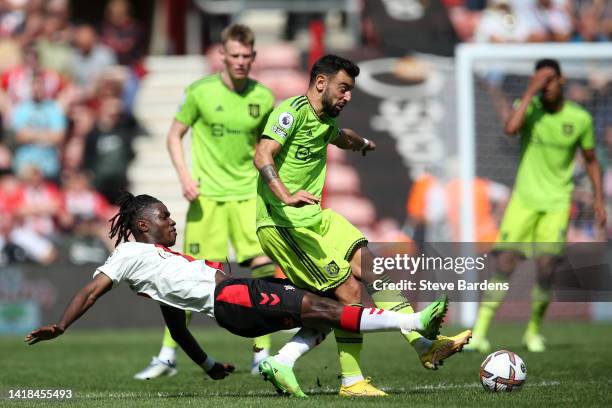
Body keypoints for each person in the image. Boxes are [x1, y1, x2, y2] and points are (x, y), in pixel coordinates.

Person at [25, 192, 451, 398]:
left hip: (235, 302)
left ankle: (282, 363)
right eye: (165, 218)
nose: (173, 223)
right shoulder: (129, 255)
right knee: (326, 306)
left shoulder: (157, 265)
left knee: (326, 309)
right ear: (142, 226)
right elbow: (91, 290)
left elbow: (176, 326)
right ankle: (416, 324)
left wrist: (209, 365)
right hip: (233, 299)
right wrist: (61, 325)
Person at [254, 54, 472, 397]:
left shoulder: (323, 122)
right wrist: (284, 195)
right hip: (284, 223)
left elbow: (341, 137)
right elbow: (263, 154)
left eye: (351, 90)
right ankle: (351, 380)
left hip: (316, 218)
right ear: (321, 83)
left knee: (370, 264)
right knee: (348, 294)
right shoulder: (290, 111)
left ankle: (422, 344)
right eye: (343, 88)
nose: (348, 96)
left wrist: (363, 144)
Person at [134, 24, 278, 380]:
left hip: (247, 197)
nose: (241, 61)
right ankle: (168, 355)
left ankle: (263, 353)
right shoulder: (199, 92)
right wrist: (185, 176)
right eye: (235, 55)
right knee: (186, 280)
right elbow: (173, 137)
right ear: (222, 56)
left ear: (254, 56)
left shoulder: (263, 97)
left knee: (263, 268)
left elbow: (271, 147)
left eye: (247, 56)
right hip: (208, 201)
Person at [466, 59, 607, 354]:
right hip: (523, 201)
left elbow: (592, 159)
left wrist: (597, 199)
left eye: (549, 80)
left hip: (556, 204)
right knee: (504, 264)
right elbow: (510, 128)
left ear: (562, 80)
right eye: (540, 80)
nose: (546, 86)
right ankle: (479, 333)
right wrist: (530, 92)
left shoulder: (578, 118)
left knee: (546, 269)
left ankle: (532, 332)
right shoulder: (529, 106)